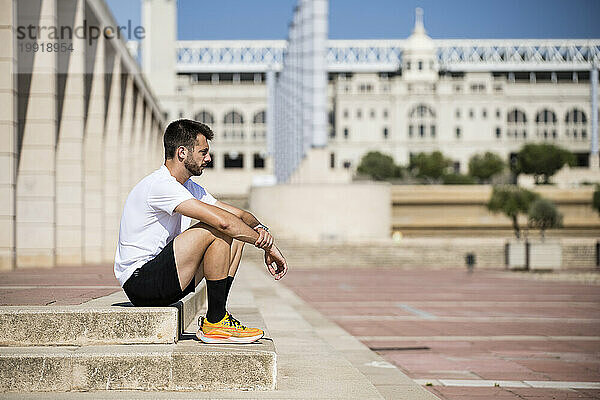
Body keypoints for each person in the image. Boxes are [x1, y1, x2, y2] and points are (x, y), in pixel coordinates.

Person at [114, 119, 288, 344]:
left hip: (164, 276)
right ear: (182, 152)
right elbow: (224, 224)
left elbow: (239, 216)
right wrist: (263, 244)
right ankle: (215, 323)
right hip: (140, 283)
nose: (209, 158)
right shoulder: (160, 185)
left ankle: (218, 317)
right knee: (217, 229)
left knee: (236, 235)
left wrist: (264, 235)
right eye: (203, 152)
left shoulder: (187, 187)